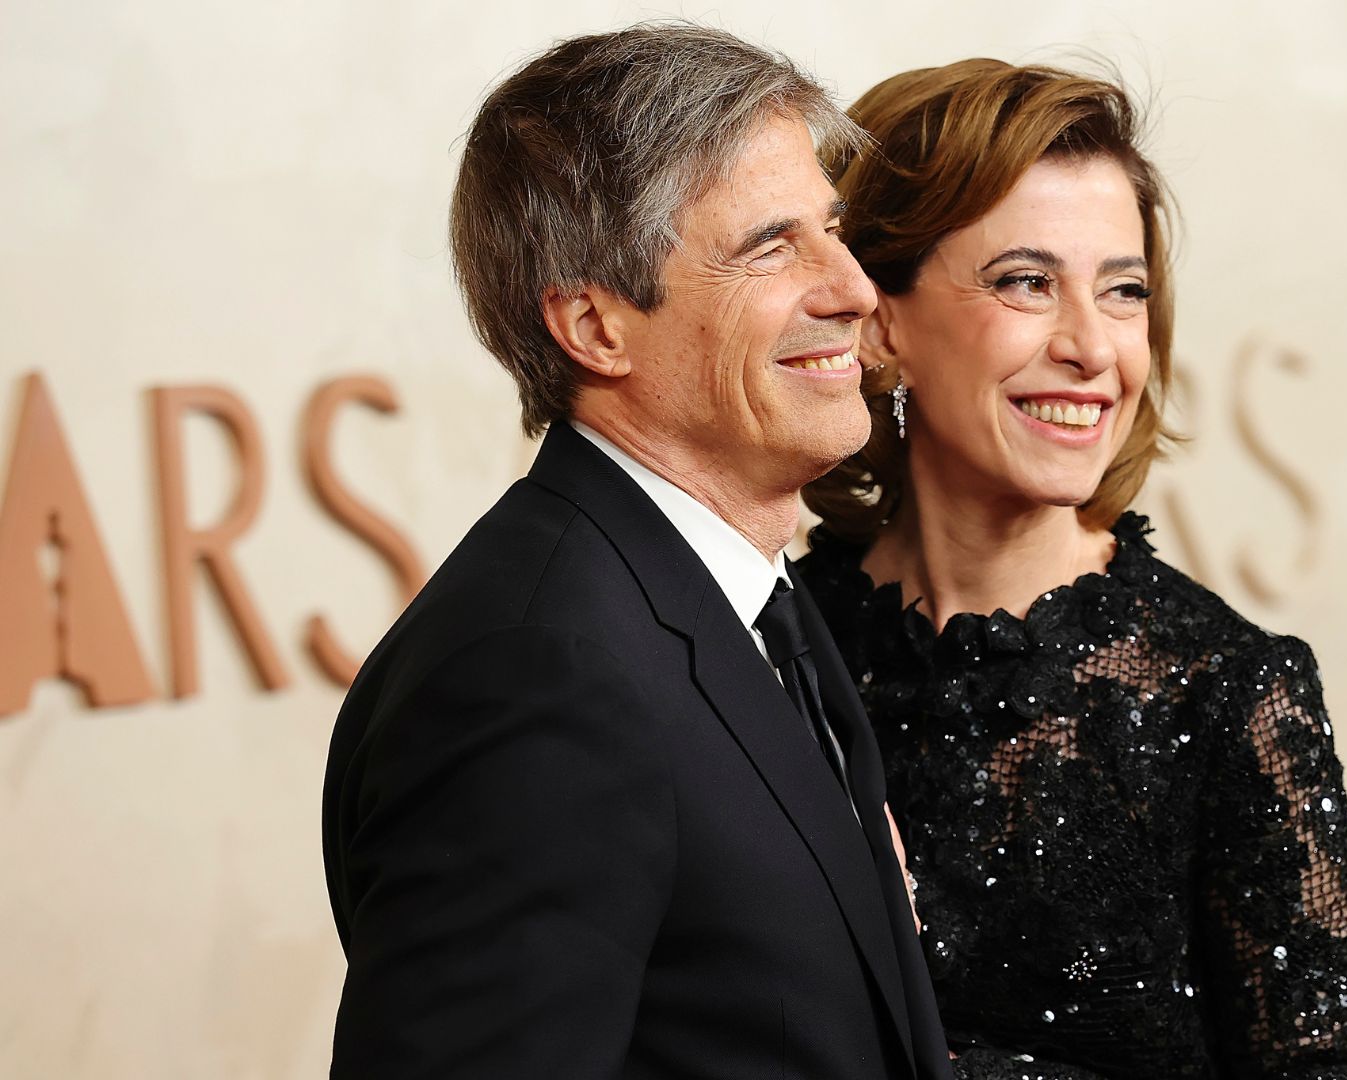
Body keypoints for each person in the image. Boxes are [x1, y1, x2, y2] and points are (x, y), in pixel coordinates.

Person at [320, 24, 950, 1078]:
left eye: (831, 232)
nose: (850, 289)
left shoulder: (746, 604)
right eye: (770, 246)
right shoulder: (536, 672)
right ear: (594, 326)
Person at [794, 59, 1347, 1078]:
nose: (1092, 347)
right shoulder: (773, 648)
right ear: (881, 319)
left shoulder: (1227, 693)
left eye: (1124, 292)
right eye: (1026, 282)